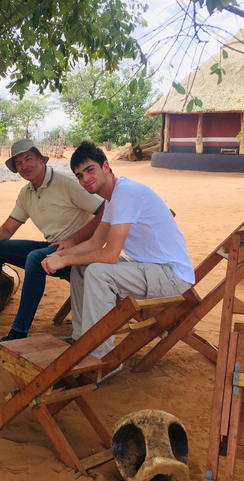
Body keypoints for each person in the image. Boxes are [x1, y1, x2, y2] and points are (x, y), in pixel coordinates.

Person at [0, 139, 105, 363]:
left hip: (79, 252)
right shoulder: (27, 193)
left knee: (35, 258)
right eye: (18, 163)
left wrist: (74, 240)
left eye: (28, 158)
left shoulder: (67, 182)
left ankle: (18, 334)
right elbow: (8, 228)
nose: (24, 165)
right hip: (53, 249)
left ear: (41, 158)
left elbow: (105, 209)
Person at [41, 141, 194, 363]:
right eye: (80, 176)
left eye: (89, 170)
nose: (85, 179)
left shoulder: (126, 193)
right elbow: (95, 243)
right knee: (82, 268)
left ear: (105, 166)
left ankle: (100, 358)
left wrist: (64, 261)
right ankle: (81, 339)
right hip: (151, 269)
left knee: (98, 273)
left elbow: (109, 255)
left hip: (172, 277)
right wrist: (61, 255)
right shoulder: (112, 199)